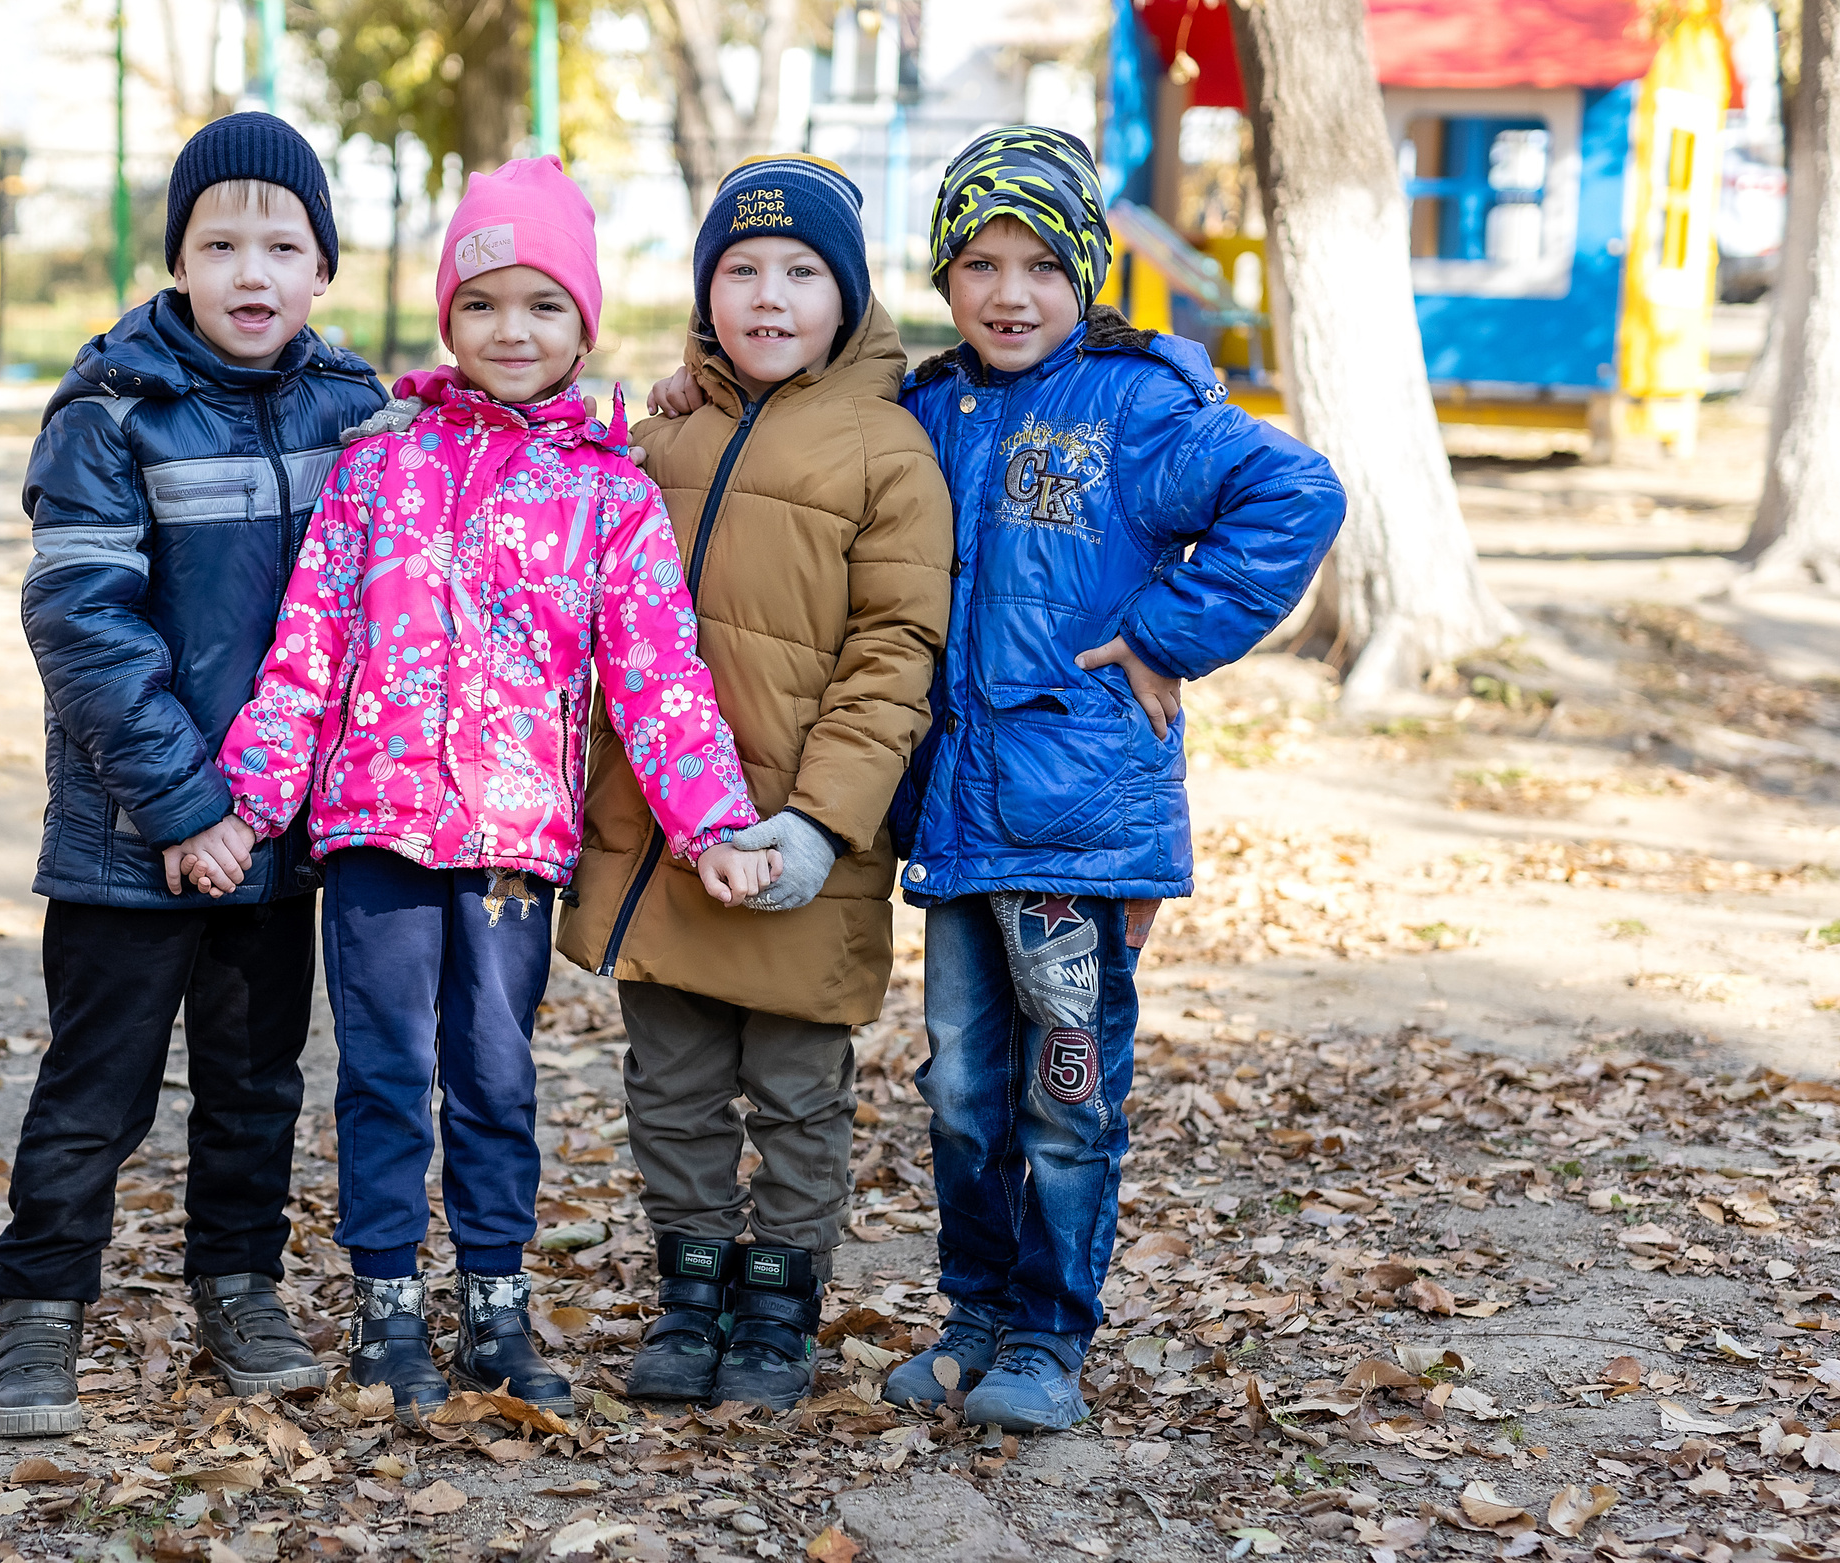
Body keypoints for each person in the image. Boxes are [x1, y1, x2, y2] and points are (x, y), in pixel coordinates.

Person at [182, 156, 778, 1422]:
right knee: (388, 1071)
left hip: (513, 843)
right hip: (373, 835)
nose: (514, 330)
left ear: (585, 323)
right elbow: (305, 654)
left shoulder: (610, 497)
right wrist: (246, 805)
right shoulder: (377, 472)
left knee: (495, 1076)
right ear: (449, 317)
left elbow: (658, 675)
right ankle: (388, 1303)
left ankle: (497, 1299)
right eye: (486, 302)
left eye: (544, 306)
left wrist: (711, 819)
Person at [871, 125, 1345, 1431]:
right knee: (964, 1089)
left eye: (1037, 262)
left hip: (1079, 832)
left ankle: (1046, 1337)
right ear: (946, 274)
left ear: (1084, 268)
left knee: (1065, 1086)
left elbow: (1294, 491)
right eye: (978, 261)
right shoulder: (927, 405)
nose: (1008, 291)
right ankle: (973, 1313)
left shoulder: (1135, 408)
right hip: (960, 822)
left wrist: (1164, 633)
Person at [0, 113, 389, 1439]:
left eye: (283, 242)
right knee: (96, 1086)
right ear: (178, 259)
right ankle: (40, 1311)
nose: (251, 270)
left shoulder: (359, 407)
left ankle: (239, 1282)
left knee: (256, 1076)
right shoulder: (113, 407)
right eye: (220, 242)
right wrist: (187, 806)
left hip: (281, 836)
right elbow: (84, 624)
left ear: (323, 265)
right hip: (131, 831)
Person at [557, 154, 951, 1411]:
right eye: (740, 271)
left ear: (848, 297)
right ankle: (688, 1290)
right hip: (660, 833)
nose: (768, 298)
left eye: (800, 273)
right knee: (668, 1083)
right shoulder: (657, 432)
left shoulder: (888, 453)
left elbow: (896, 652)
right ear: (704, 290)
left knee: (794, 1092)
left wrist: (824, 819)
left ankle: (778, 1305)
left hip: (802, 833)